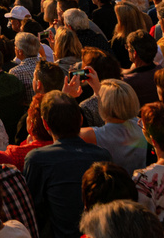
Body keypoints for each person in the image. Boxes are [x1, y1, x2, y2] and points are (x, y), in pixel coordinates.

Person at [22, 95, 112, 238]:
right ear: (80, 120)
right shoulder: (102, 156)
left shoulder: (38, 159)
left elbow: (32, 207)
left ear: (45, 125)